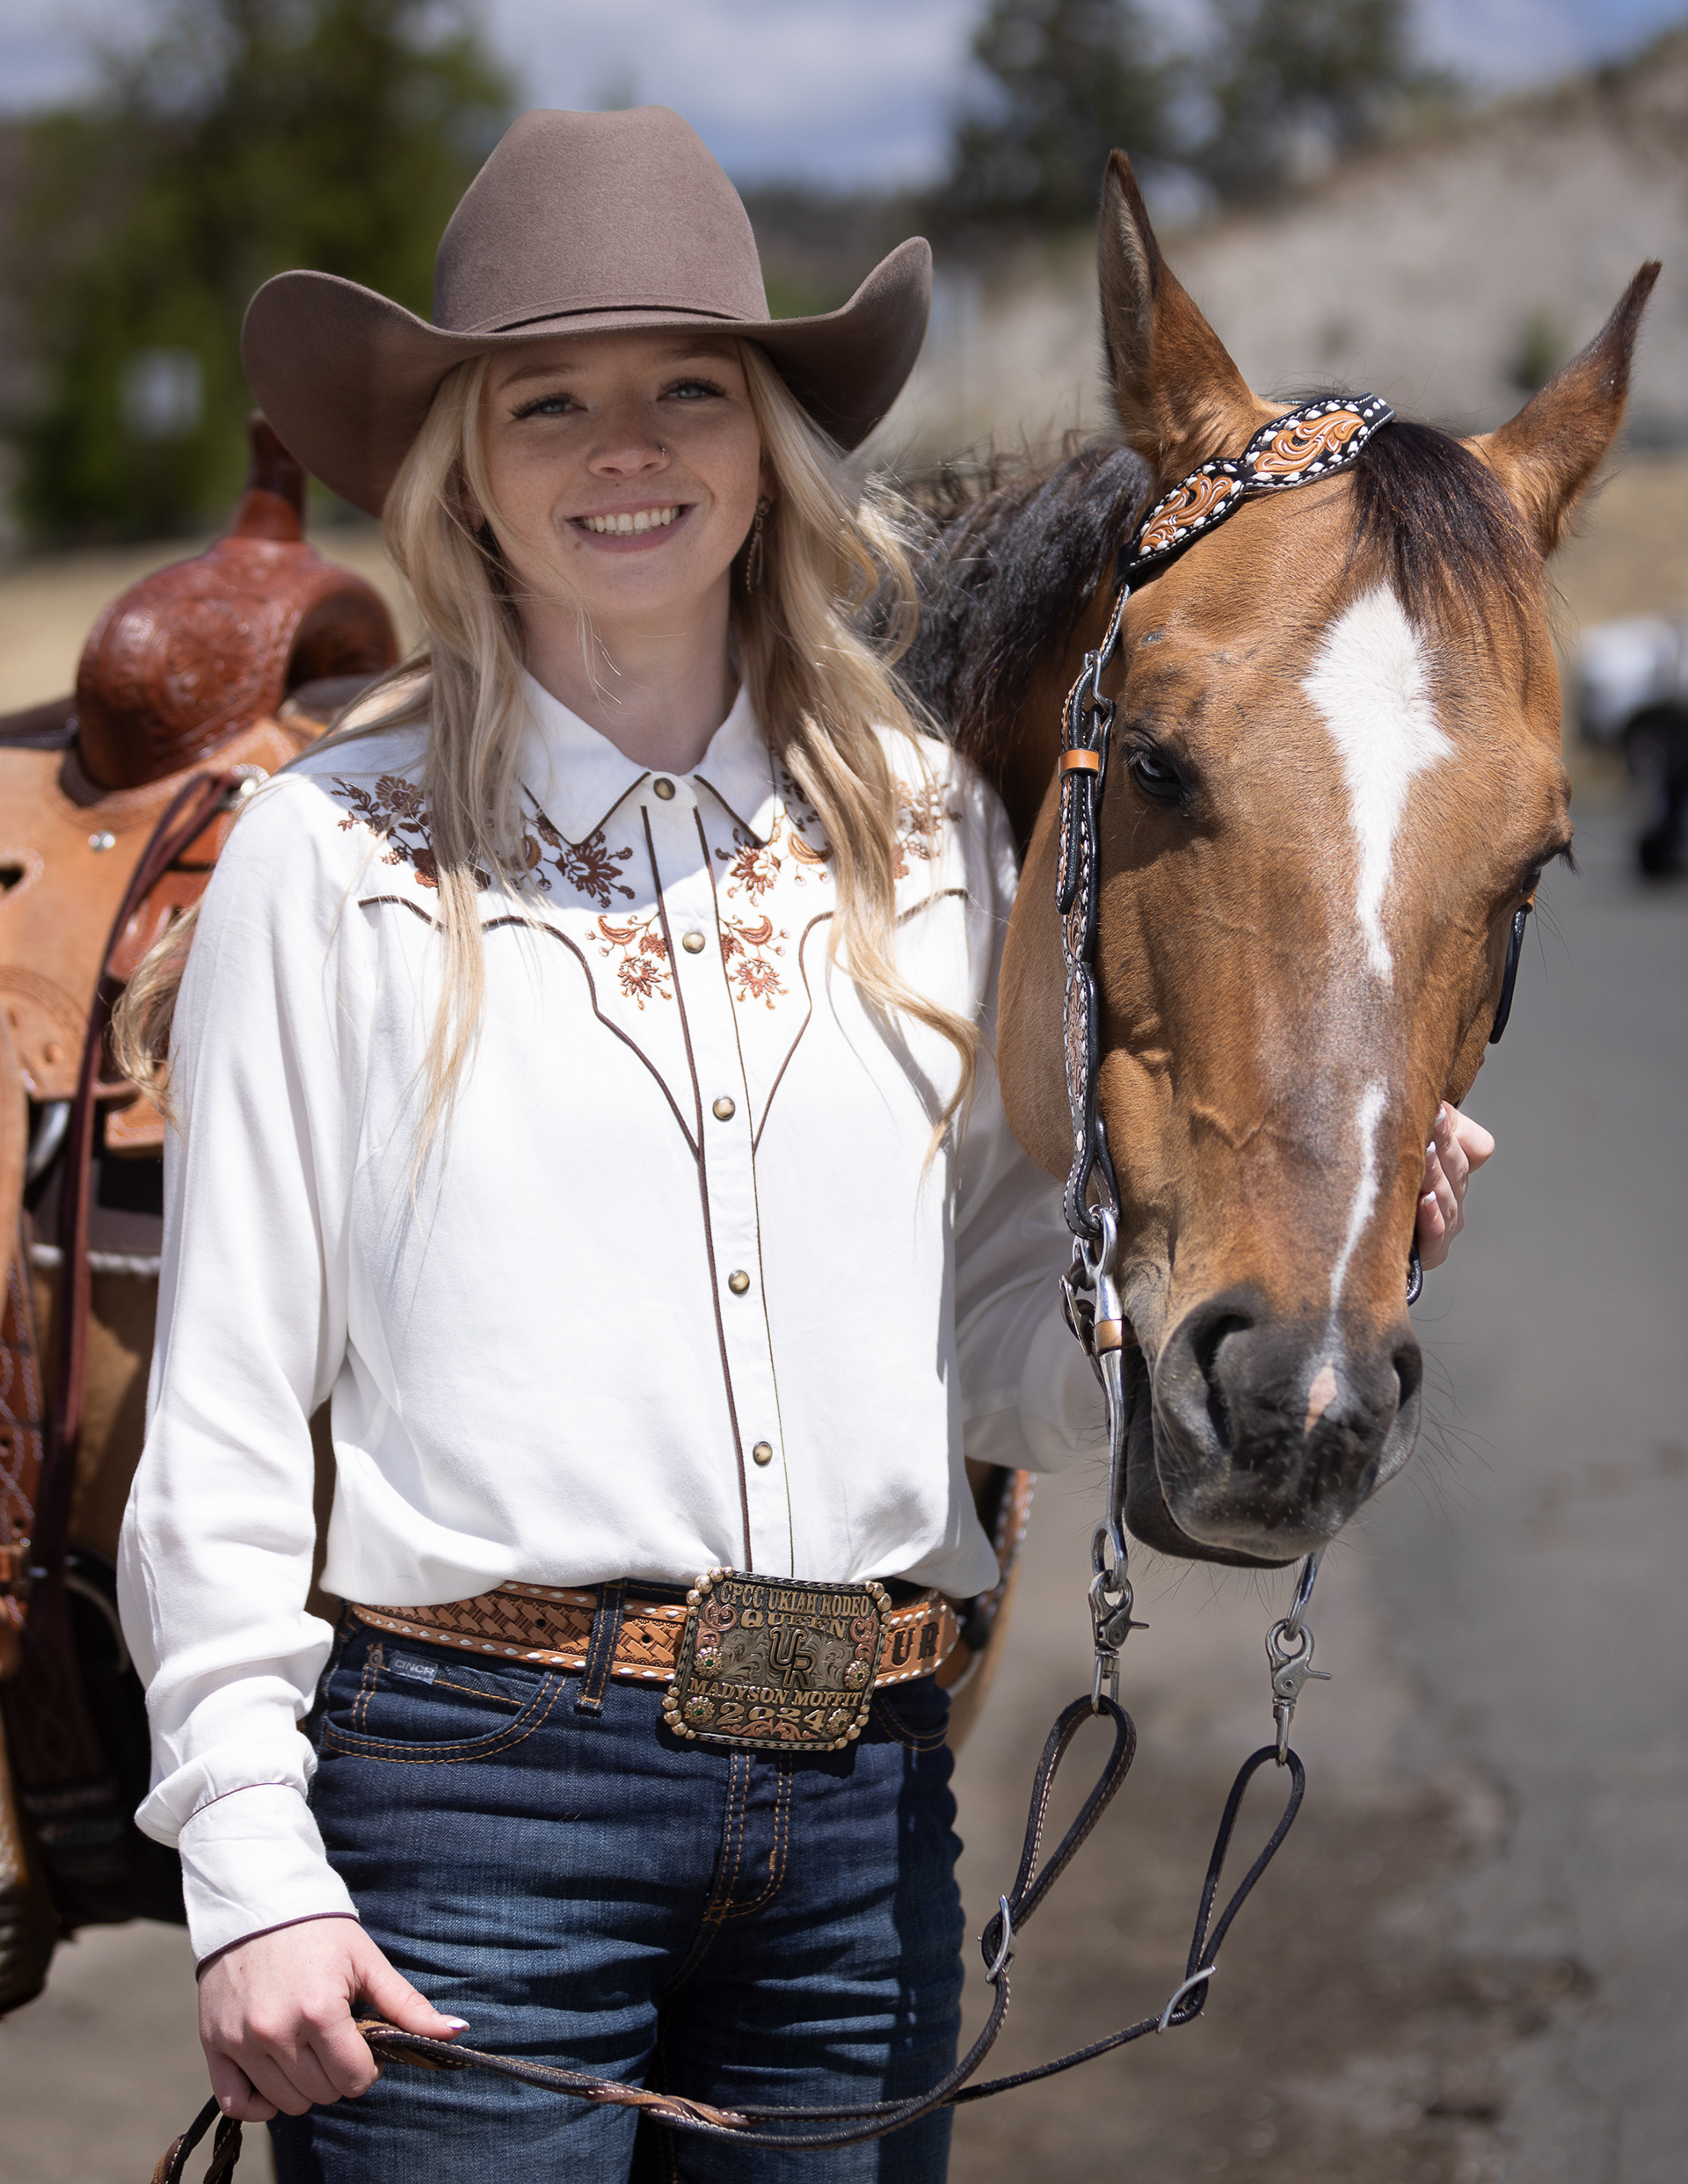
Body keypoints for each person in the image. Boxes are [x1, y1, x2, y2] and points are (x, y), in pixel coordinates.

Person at [113, 106, 1490, 2184]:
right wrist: (249, 1852)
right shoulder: (335, 857)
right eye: (547, 401)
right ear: (464, 469)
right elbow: (219, 1413)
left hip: (859, 1801)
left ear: (770, 443)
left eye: (690, 389)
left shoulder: (931, 832)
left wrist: (1272, 1282)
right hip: (478, 1818)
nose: (626, 450)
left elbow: (1002, 1346)